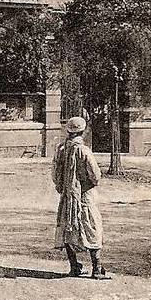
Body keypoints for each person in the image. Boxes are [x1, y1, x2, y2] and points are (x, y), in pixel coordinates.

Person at [52, 116, 110, 279]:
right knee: (91, 227)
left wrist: (64, 187)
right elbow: (96, 175)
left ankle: (74, 266)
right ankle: (97, 268)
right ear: (83, 132)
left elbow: (55, 174)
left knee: (69, 226)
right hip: (85, 195)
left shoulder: (61, 149)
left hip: (68, 194)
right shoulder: (83, 150)